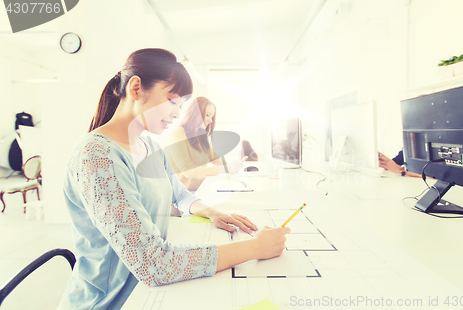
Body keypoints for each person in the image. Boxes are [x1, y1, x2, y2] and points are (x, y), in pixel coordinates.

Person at [58, 48, 290, 310]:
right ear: (136, 88)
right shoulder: (97, 156)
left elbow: (180, 194)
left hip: (147, 293)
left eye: (181, 106)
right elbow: (153, 263)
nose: (177, 114)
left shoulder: (151, 147)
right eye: (172, 101)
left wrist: (212, 212)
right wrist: (256, 249)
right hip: (109, 302)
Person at [164, 96, 243, 191]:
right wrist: (226, 169)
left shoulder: (201, 138)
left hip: (196, 192)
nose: (210, 120)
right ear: (196, 113)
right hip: (178, 196)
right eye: (207, 115)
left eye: (212, 117)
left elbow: (216, 160)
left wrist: (234, 165)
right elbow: (188, 170)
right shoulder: (177, 134)